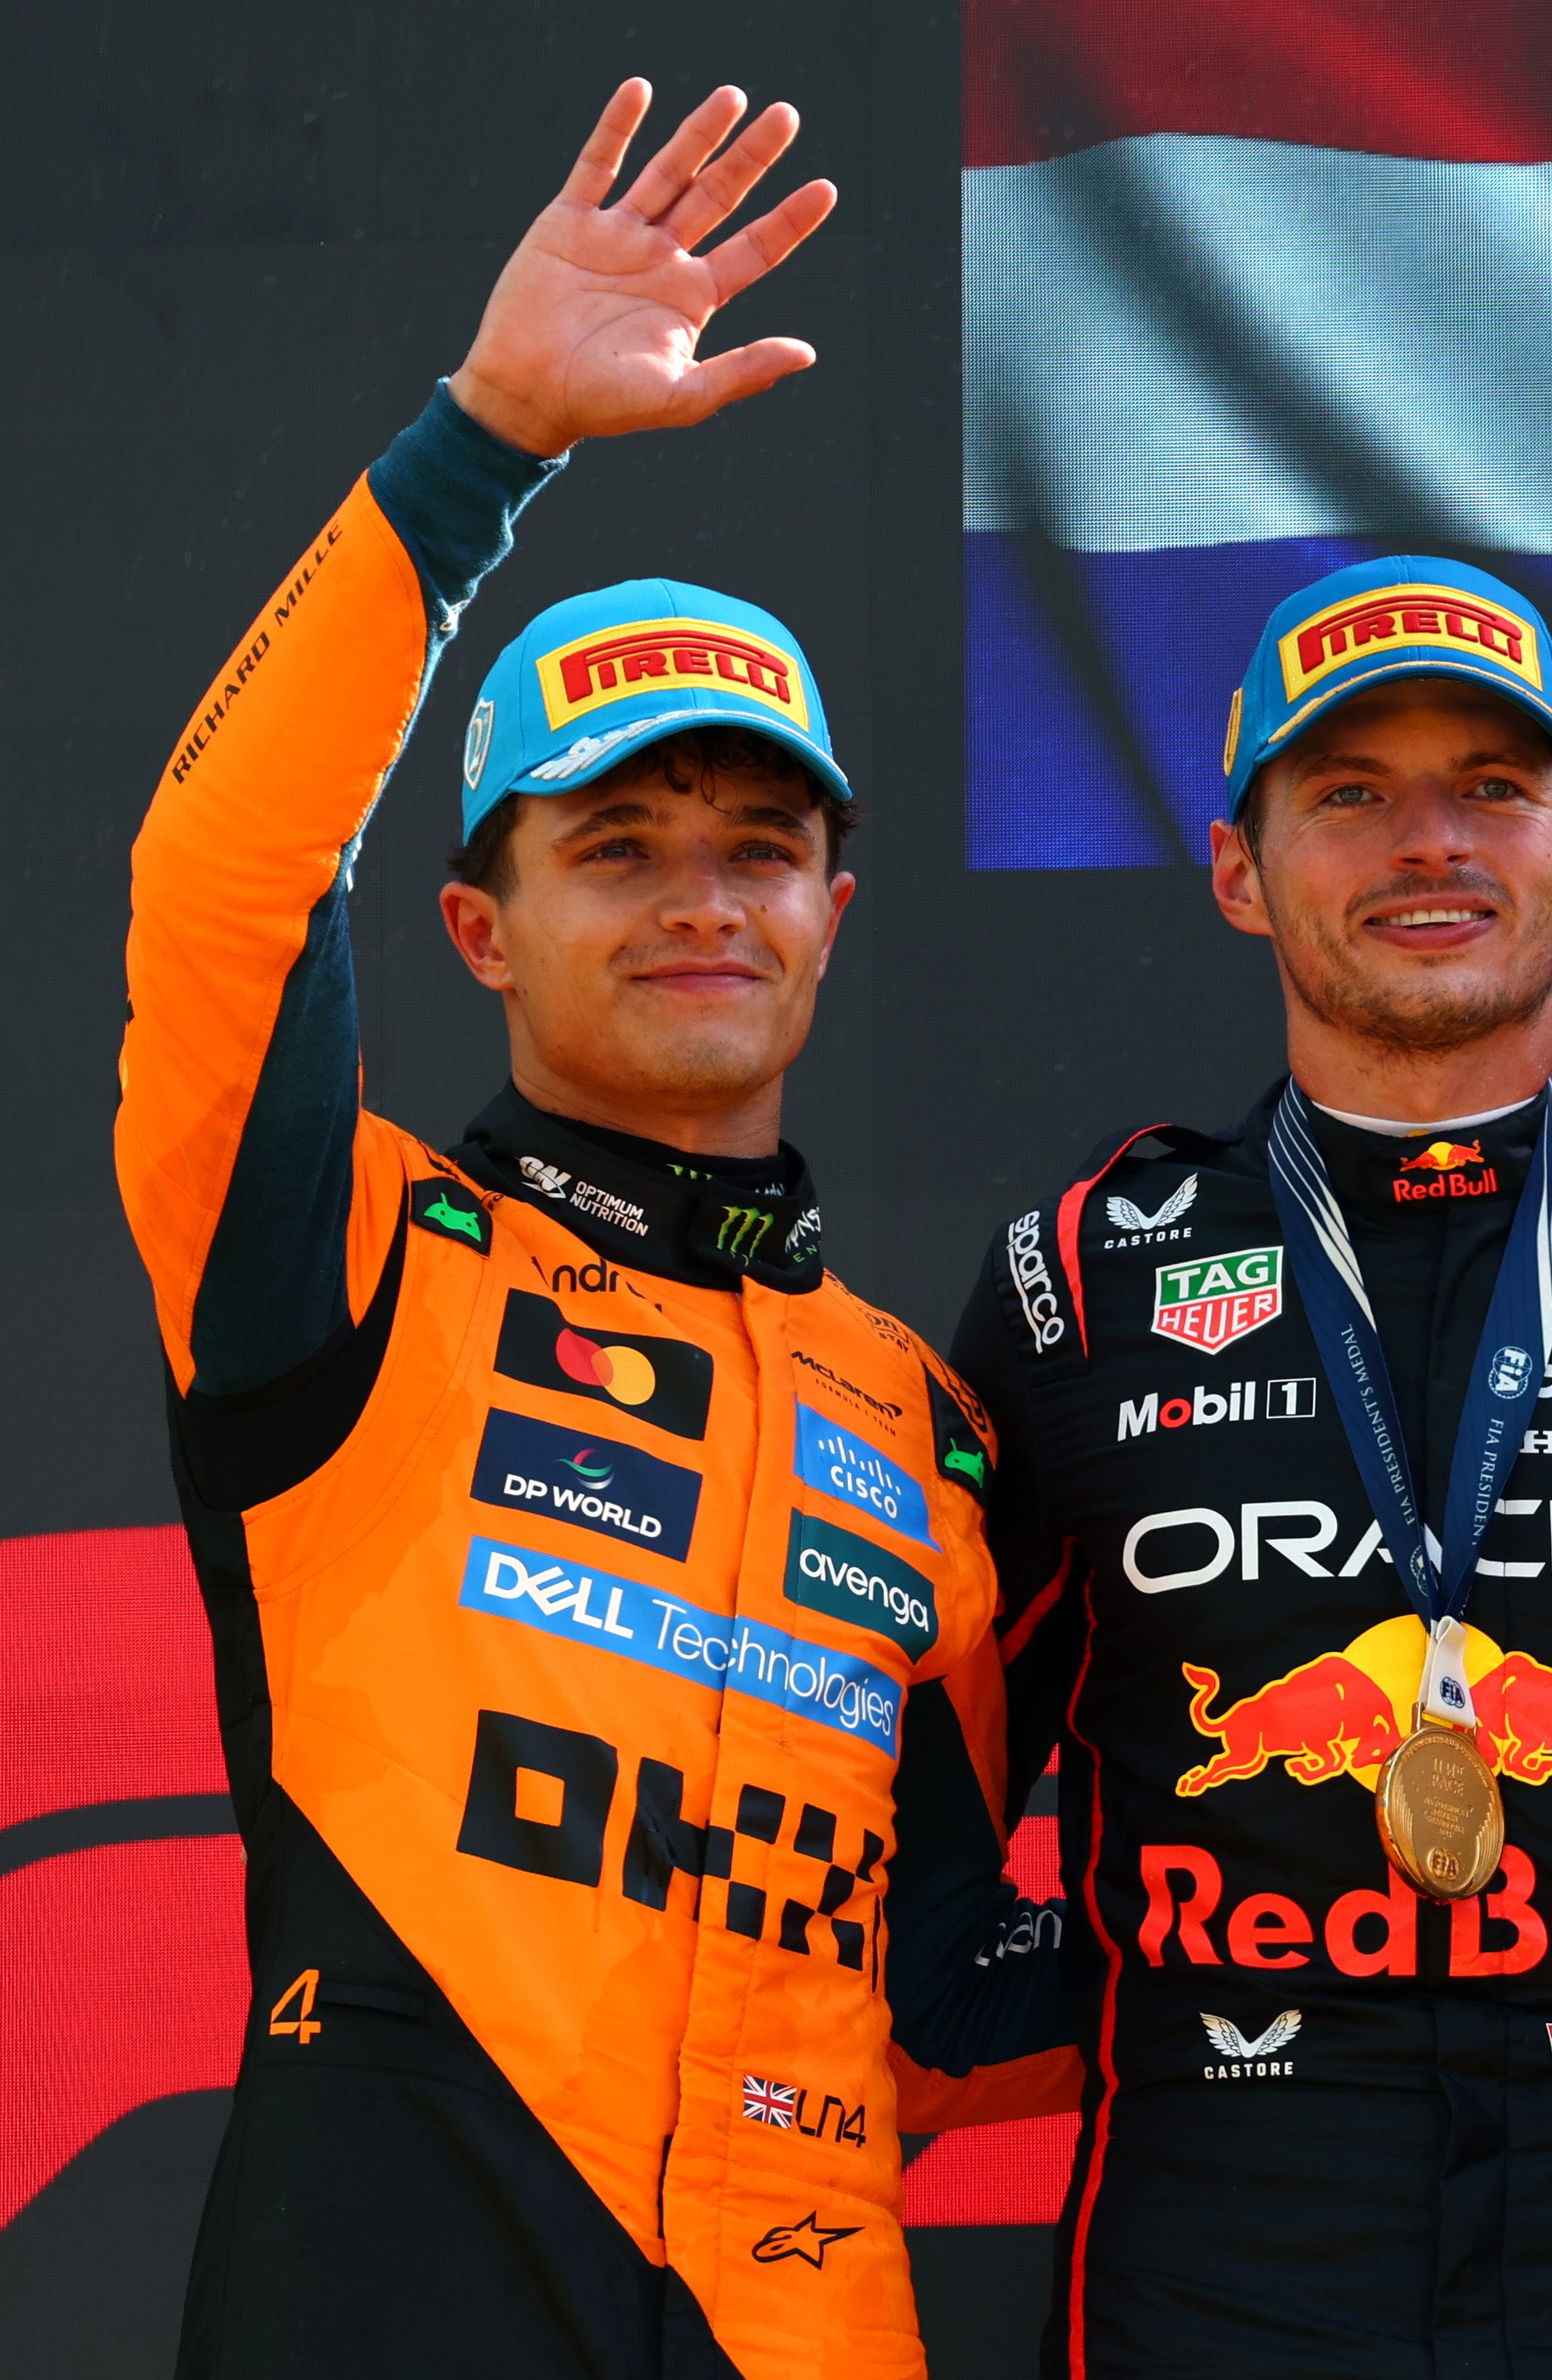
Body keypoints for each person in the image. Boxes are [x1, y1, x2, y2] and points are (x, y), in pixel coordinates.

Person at [116, 82, 1072, 2378]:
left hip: (799, 2317)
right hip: (392, 2280)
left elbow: (937, 1974)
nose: (699, 896)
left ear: (834, 912)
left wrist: (1290, 1943)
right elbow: (228, 892)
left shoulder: (923, 1419)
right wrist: (473, 456)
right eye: (616, 843)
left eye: (756, 844)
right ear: (477, 921)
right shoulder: (342, 1254)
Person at [950, 555, 1552, 2378]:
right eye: (1349, 794)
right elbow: (910, 1781)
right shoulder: (1078, 1277)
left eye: (1490, 786)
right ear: (1239, 870)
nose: (1428, 843)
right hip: (1220, 2226)